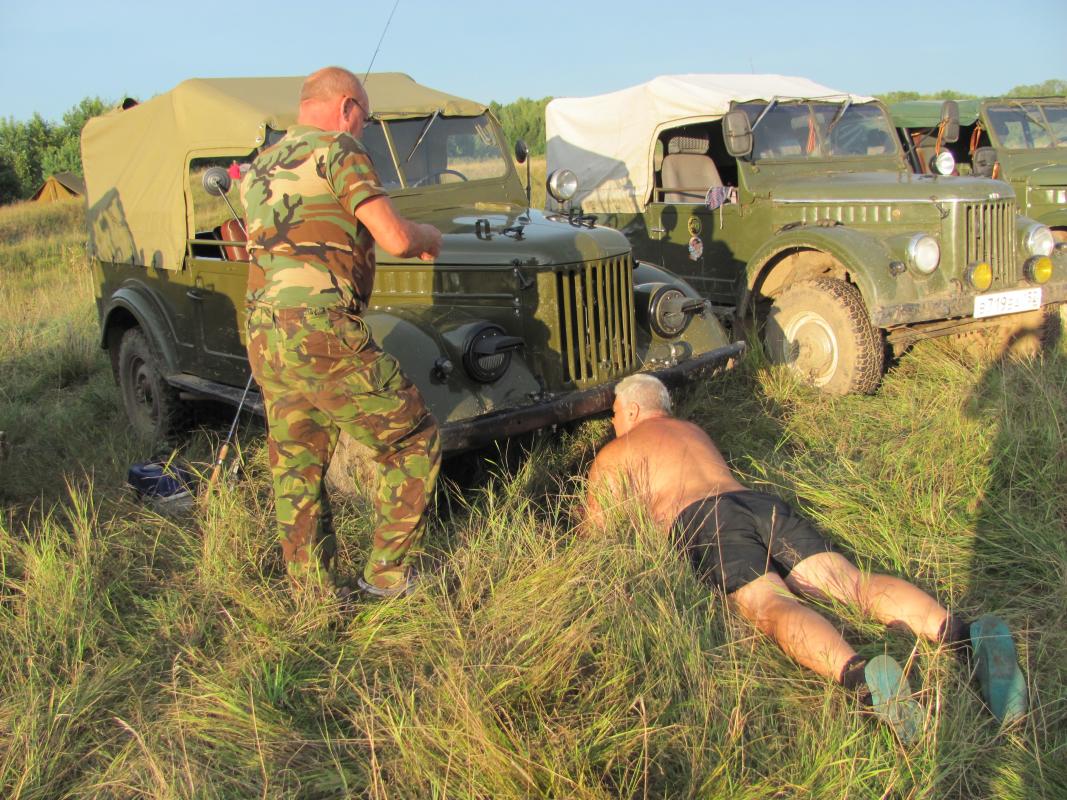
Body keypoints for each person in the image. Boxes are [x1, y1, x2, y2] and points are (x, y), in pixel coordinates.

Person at [584, 374, 1028, 742]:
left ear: (633, 410)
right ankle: (964, 634)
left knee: (770, 603)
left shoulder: (618, 451)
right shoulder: (693, 430)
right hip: (757, 504)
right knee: (851, 583)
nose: (614, 422)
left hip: (706, 518)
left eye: (615, 414)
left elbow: (598, 534)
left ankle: (861, 678)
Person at [240, 66, 443, 599]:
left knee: (297, 463)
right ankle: (387, 577)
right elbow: (395, 238)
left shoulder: (260, 166)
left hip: (264, 332)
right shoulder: (339, 149)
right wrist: (428, 236)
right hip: (320, 329)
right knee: (412, 439)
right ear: (347, 106)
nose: (363, 129)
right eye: (366, 119)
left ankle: (310, 591)